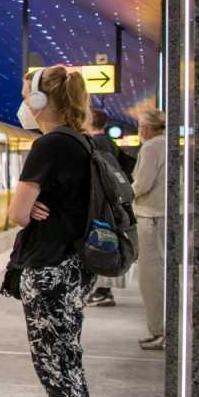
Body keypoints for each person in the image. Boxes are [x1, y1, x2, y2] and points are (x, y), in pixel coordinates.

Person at [9, 66, 96, 397]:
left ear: (43, 100)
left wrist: (31, 202)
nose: (23, 98)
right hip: (74, 268)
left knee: (55, 371)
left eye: (27, 91)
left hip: (47, 271)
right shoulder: (83, 142)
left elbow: (18, 214)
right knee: (71, 365)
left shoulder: (49, 144)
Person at [132, 108, 167, 349]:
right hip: (160, 217)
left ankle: (159, 330)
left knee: (151, 278)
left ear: (146, 128)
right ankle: (161, 329)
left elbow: (142, 184)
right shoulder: (167, 144)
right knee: (158, 276)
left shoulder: (152, 146)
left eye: (140, 126)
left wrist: (122, 195)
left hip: (151, 219)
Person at [83, 108, 121, 307]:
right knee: (104, 243)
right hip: (107, 202)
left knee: (98, 245)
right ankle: (103, 290)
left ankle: (102, 290)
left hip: (100, 204)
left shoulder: (96, 143)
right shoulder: (109, 142)